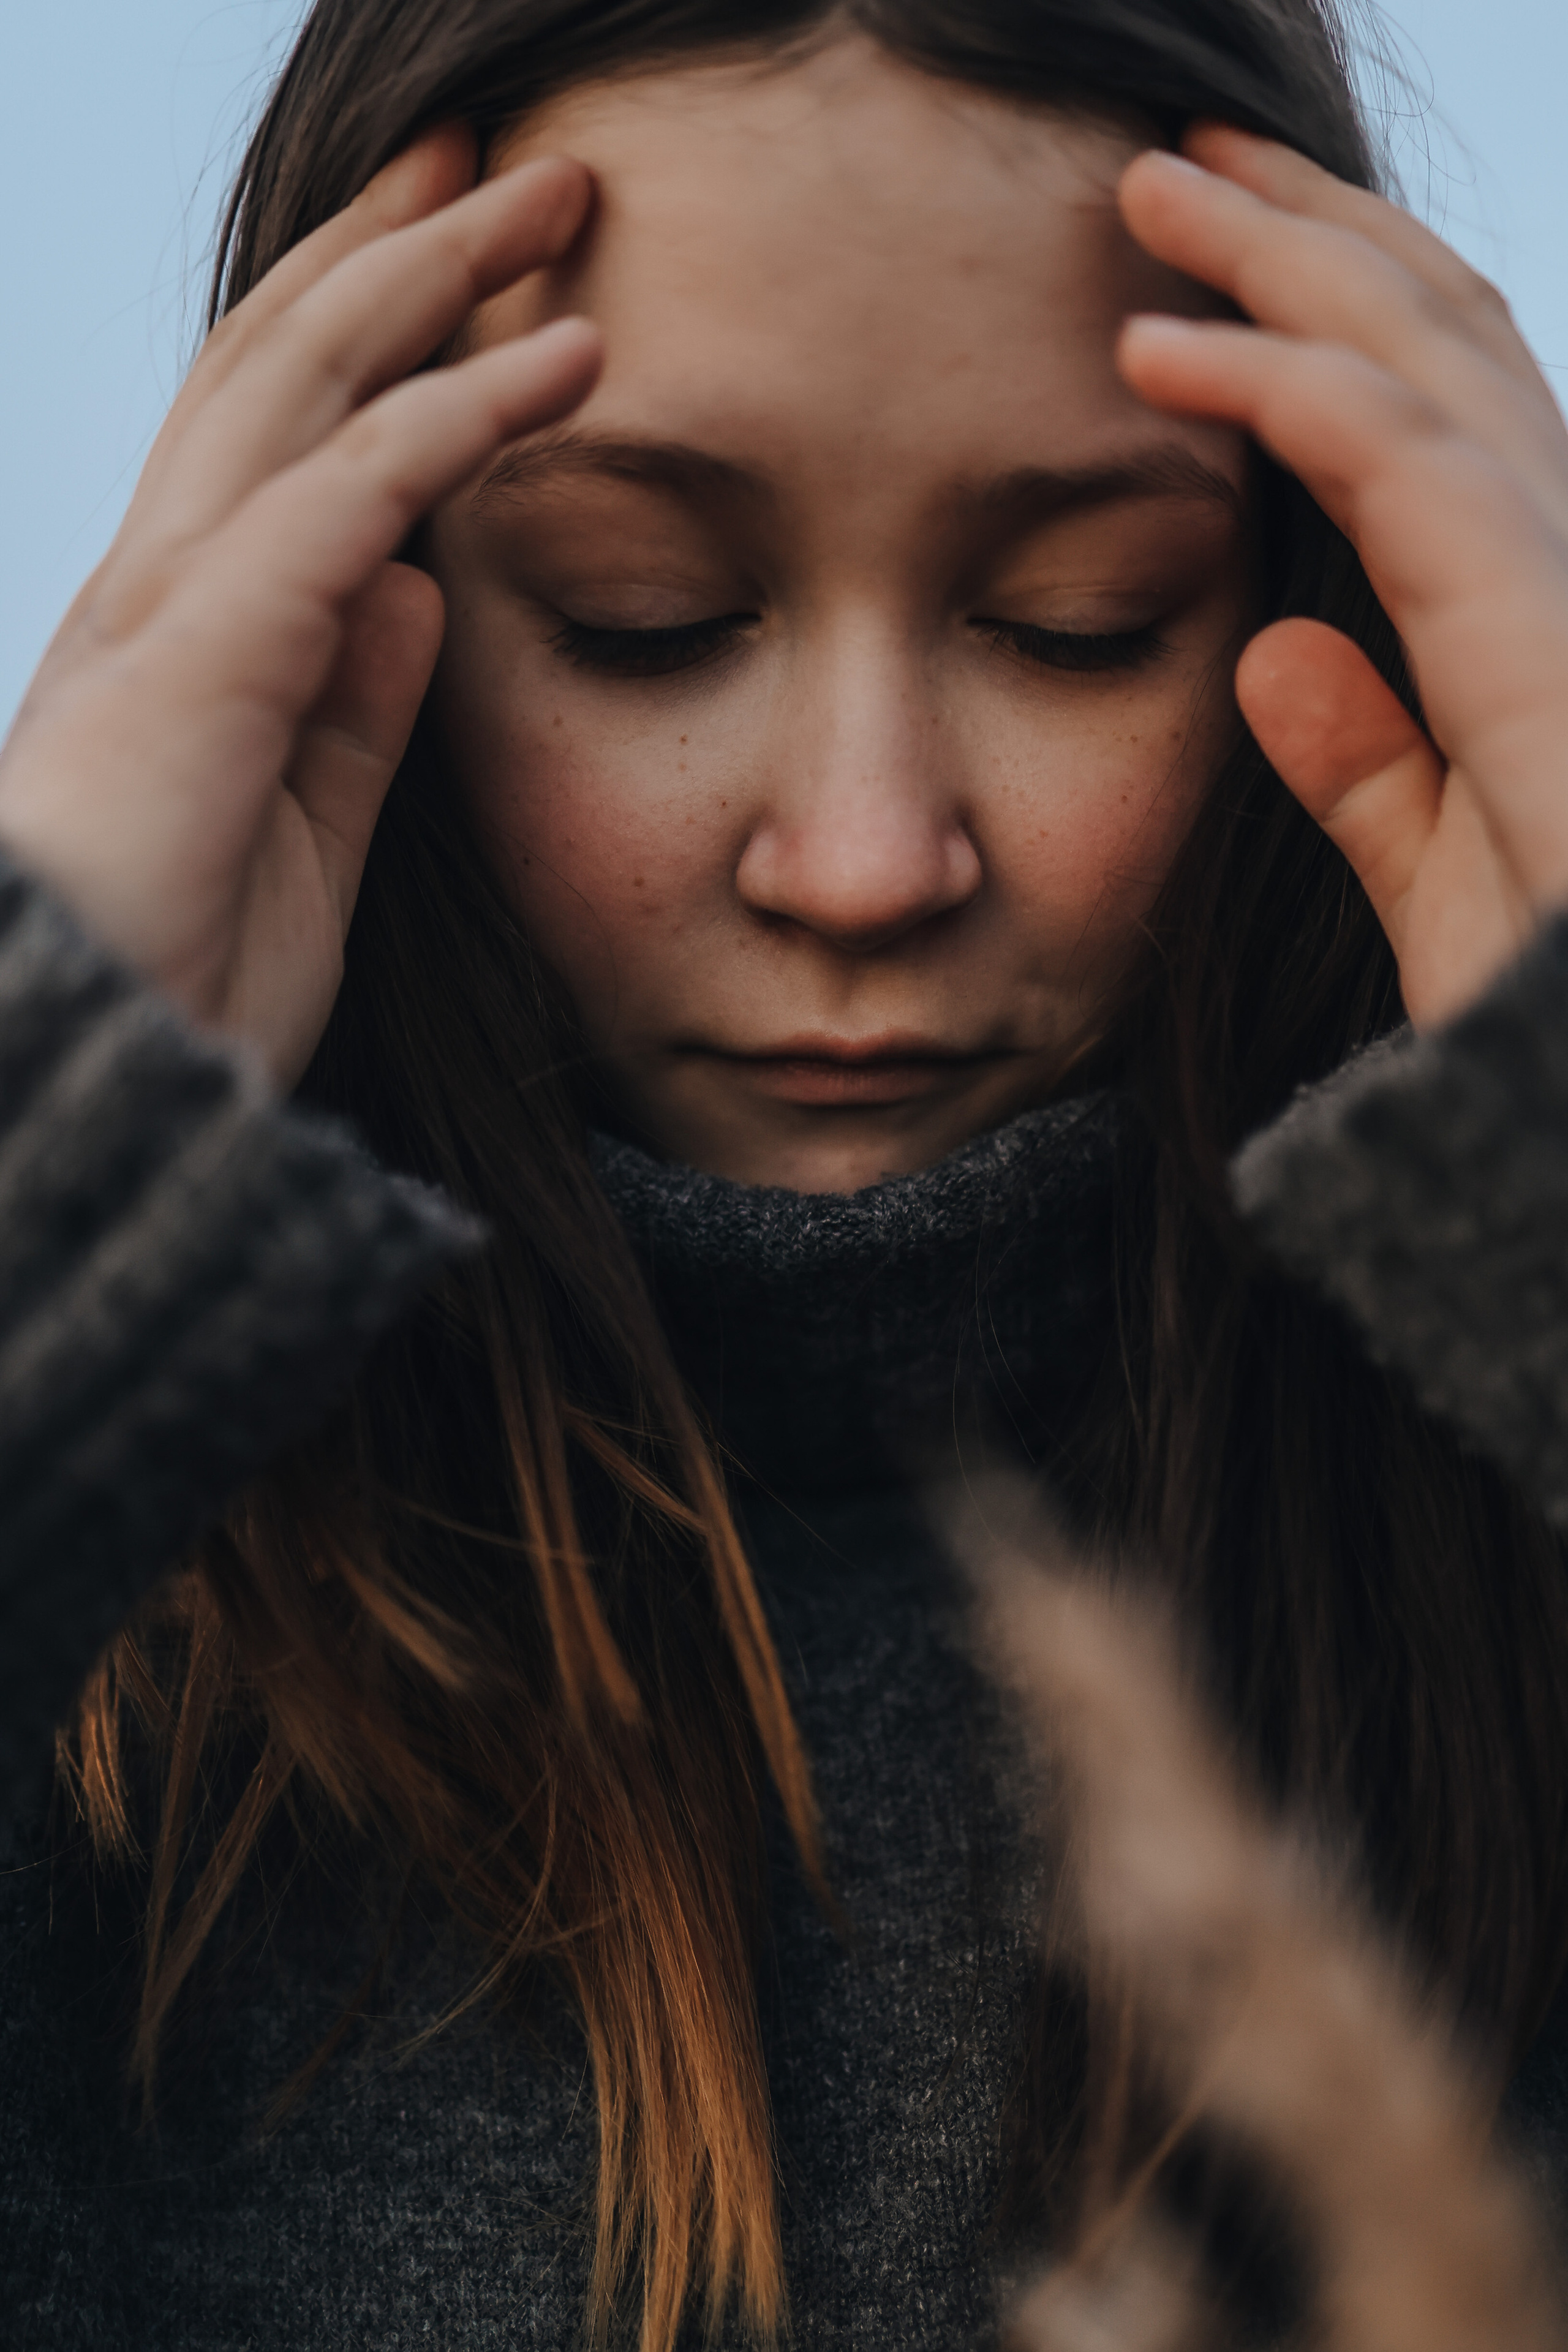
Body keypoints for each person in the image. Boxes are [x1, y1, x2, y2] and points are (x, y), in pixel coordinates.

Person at [7, 0, 1568, 2343]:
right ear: (338, 607)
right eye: (646, 616)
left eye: (1078, 624)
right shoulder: (105, 1664)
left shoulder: (1497, 1573)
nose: (862, 860)